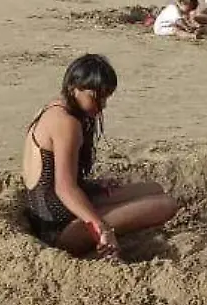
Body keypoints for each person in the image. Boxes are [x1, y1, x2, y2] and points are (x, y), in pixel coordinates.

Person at [22, 54, 177, 255]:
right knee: (165, 205)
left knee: (154, 188)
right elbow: (64, 189)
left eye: (106, 97)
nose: (102, 105)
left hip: (50, 212)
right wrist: (101, 227)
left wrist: (93, 186)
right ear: (74, 87)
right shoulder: (66, 123)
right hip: (58, 230)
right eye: (97, 97)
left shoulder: (53, 108)